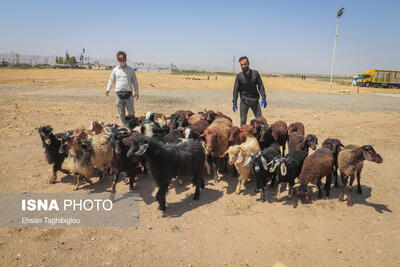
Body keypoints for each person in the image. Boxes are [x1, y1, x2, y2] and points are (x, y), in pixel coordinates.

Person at [105, 51, 139, 127]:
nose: (122, 61)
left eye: (123, 60)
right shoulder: (115, 70)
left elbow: (135, 81)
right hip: (118, 94)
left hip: (129, 94)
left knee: (131, 112)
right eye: (120, 60)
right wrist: (108, 89)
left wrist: (136, 92)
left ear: (126, 59)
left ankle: (132, 125)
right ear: (118, 60)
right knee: (121, 112)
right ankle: (125, 126)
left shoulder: (130, 70)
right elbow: (111, 80)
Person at [232, 56, 267, 126]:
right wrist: (234, 102)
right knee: (243, 120)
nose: (243, 66)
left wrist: (264, 98)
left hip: (255, 101)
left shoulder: (255, 74)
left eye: (245, 64)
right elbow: (236, 90)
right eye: (241, 65)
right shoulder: (239, 76)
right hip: (244, 101)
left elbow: (260, 86)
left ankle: (260, 136)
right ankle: (243, 136)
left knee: (260, 120)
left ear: (248, 63)